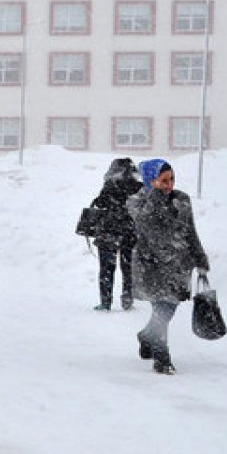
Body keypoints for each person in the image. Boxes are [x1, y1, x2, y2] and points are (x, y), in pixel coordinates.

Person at [127, 159, 210, 376]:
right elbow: (146, 223)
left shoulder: (181, 199)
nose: (169, 184)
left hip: (178, 264)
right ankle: (162, 359)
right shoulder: (137, 201)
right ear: (150, 180)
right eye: (163, 180)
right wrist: (155, 195)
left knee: (168, 308)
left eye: (171, 179)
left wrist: (200, 258)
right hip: (151, 265)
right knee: (161, 309)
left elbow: (190, 231)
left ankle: (147, 335)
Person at [88, 158, 143, 311]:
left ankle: (106, 302)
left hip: (108, 233)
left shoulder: (110, 185)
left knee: (106, 269)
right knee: (128, 268)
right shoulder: (138, 187)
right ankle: (127, 299)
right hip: (129, 233)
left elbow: (100, 204)